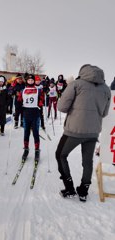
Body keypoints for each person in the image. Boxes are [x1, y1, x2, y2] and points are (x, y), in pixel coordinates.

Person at [55, 64, 111, 202]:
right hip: (93, 131)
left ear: (82, 72)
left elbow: (62, 107)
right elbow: (104, 113)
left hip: (74, 130)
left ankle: (69, 188)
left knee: (60, 155)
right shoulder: (106, 89)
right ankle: (83, 190)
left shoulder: (76, 84)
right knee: (87, 161)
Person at [20, 73, 44, 162]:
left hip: (35, 114)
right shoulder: (23, 90)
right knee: (26, 133)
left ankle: (37, 150)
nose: (30, 81)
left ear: (34, 81)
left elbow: (41, 100)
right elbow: (19, 100)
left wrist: (41, 102)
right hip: (26, 114)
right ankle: (26, 149)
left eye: (32, 80)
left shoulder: (38, 90)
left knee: (35, 133)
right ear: (26, 81)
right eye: (29, 80)